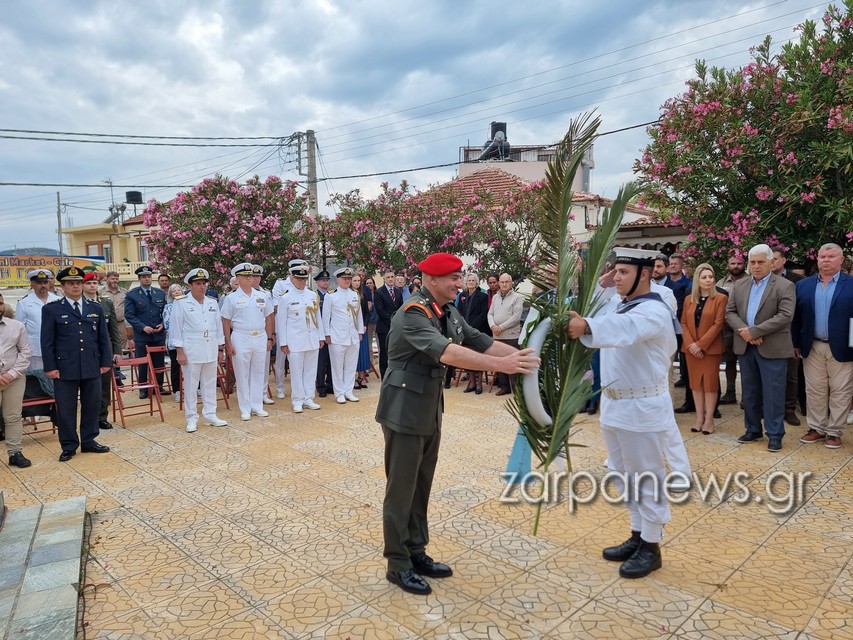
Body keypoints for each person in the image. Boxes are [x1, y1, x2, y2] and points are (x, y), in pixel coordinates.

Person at [377, 252, 540, 595]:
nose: (458, 282)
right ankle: (398, 563)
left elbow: (478, 340)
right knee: (401, 489)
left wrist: (516, 356)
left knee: (421, 485)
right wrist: (504, 368)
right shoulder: (413, 314)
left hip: (427, 407)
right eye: (453, 277)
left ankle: (416, 551)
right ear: (432, 280)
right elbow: (448, 352)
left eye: (459, 276)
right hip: (404, 409)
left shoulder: (446, 311)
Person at [567, 247, 682, 579]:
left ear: (644, 275)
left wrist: (587, 323)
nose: (615, 277)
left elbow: (624, 329)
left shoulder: (654, 309)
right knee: (621, 472)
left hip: (643, 406)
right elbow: (601, 316)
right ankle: (637, 533)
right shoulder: (621, 302)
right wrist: (602, 288)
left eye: (623, 272)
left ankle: (652, 545)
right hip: (616, 404)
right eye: (615, 272)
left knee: (646, 475)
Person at [725, 244, 795, 452]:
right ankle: (753, 429)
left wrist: (755, 332)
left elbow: (785, 316)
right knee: (750, 391)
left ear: (771, 263)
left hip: (772, 347)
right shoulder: (740, 285)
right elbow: (730, 313)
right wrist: (745, 332)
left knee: (773, 393)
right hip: (746, 346)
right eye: (752, 262)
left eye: (760, 262)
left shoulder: (784, 285)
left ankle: (774, 434)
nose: (756, 266)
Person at [41, 267, 113, 462]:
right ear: (63, 286)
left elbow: (103, 338)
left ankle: (89, 440)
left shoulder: (95, 308)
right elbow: (47, 341)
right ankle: (69, 445)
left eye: (78, 282)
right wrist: (50, 367)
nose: (76, 286)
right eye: (71, 283)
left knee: (92, 404)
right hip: (64, 367)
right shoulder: (51, 309)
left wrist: (106, 361)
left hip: (91, 365)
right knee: (66, 409)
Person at [792, 243, 853, 449]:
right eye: (822, 257)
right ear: (817, 259)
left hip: (843, 347)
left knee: (840, 391)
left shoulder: (851, 284)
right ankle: (817, 428)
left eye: (831, 256)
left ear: (841, 260)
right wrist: (795, 343)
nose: (826, 260)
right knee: (814, 390)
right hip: (812, 345)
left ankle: (834, 432)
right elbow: (796, 318)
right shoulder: (804, 285)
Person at [170, 269, 228, 432]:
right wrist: (179, 351)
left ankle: (210, 414)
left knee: (209, 383)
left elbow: (218, 327)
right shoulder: (181, 302)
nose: (202, 287)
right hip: (191, 349)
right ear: (190, 285)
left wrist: (220, 348)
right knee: (191, 385)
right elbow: (176, 328)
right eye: (198, 284)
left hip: (209, 348)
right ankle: (191, 418)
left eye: (204, 284)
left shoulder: (212, 302)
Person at [220, 262, 274, 421]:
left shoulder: (262, 296)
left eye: (251, 276)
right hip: (241, 336)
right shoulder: (231, 298)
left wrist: (270, 337)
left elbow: (269, 316)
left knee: (258, 372)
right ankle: (245, 408)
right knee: (242, 373)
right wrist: (228, 343)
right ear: (238, 278)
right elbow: (225, 321)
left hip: (260, 336)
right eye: (245, 276)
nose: (250, 278)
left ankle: (257, 406)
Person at [680, 264, 726, 434]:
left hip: (710, 350)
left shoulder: (721, 298)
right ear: (697, 280)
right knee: (695, 384)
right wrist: (691, 344)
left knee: (710, 385)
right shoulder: (688, 299)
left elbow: (718, 324)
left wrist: (700, 345)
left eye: (711, 277)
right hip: (691, 350)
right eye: (704, 277)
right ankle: (699, 417)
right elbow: (683, 322)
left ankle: (709, 420)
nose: (708, 280)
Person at [276, 264, 323, 413]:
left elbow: (318, 318)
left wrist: (320, 337)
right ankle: (297, 400)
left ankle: (309, 398)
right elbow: (281, 322)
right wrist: (283, 342)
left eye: (304, 278)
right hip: (295, 341)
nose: (302, 282)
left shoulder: (311, 295)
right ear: (292, 278)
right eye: (298, 279)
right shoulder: (286, 298)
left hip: (312, 338)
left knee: (310, 370)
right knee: (296, 372)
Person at [771, 246, 806, 427]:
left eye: (775, 259)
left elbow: (800, 311)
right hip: (768, 336)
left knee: (791, 376)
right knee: (770, 375)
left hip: (791, 336)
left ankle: (789, 410)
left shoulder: (799, 281)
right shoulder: (761, 280)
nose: (772, 262)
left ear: (784, 260)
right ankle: (770, 409)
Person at [82, 273, 121, 431]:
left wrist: (117, 350)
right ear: (83, 285)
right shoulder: (80, 304)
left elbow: (113, 328)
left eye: (95, 283)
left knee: (105, 386)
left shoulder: (105, 302)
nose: (92, 286)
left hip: (104, 350)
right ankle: (89, 418)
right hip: (86, 351)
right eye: (89, 283)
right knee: (88, 387)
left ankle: (102, 417)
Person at [124, 265, 168, 398]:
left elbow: (165, 313)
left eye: (148, 276)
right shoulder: (132, 294)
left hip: (158, 334)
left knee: (159, 362)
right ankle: (143, 388)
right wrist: (142, 327)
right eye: (144, 277)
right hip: (142, 335)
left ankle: (158, 386)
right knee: (143, 363)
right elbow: (129, 315)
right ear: (139, 279)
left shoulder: (159, 293)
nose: (147, 279)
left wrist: (162, 324)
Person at [323, 267, 364, 404]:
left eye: (348, 279)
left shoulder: (354, 295)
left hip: (352, 336)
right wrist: (327, 334)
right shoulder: (331, 295)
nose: (347, 281)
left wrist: (359, 331)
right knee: (337, 366)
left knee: (351, 366)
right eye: (344, 279)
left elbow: (359, 314)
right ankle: (339, 392)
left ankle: (349, 391)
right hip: (337, 336)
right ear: (338, 279)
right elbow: (325, 317)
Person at [1, 293, 33, 468]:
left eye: (0, 303)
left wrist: (11, 374)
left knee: (13, 417)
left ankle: (15, 453)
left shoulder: (16, 326)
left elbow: (25, 352)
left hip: (13, 378)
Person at [715, 254, 747, 405]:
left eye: (739, 263)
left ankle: (747, 396)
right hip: (727, 329)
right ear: (728, 265)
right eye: (732, 263)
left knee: (747, 362)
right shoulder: (720, 283)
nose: (736, 266)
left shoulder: (751, 281)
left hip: (746, 328)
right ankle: (730, 392)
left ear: (744, 264)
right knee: (729, 361)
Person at [14, 269, 60, 372]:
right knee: (37, 382)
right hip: (35, 351)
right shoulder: (24, 303)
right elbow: (20, 329)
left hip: (57, 348)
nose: (43, 285)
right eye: (39, 283)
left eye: (45, 282)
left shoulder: (58, 300)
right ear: (32, 285)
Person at [487, 273, 524, 396]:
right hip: (497, 336)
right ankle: (504, 387)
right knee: (500, 362)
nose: (504, 284)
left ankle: (516, 389)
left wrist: (501, 327)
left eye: (506, 282)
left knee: (513, 363)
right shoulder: (496, 297)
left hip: (511, 336)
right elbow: (490, 314)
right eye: (502, 282)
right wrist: (493, 326)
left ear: (511, 283)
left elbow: (516, 317)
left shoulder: (517, 297)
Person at [457, 273, 489, 393]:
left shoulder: (483, 296)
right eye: (469, 280)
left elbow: (483, 314)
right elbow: (459, 312)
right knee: (467, 357)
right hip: (465, 332)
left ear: (477, 282)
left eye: (473, 280)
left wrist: (471, 327)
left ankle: (479, 384)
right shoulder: (462, 296)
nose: (471, 282)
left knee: (477, 357)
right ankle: (472, 383)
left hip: (477, 331)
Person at [374, 270, 403, 378]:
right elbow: (380, 311)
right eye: (388, 277)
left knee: (396, 351)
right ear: (384, 279)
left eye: (392, 276)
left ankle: (395, 374)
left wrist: (398, 322)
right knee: (385, 353)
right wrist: (393, 321)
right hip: (384, 328)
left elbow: (400, 308)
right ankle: (384, 375)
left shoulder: (398, 292)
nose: (390, 279)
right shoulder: (379, 292)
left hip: (396, 327)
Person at [161, 284, 186, 405]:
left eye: (179, 290)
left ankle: (195, 388)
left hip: (188, 340)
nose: (177, 292)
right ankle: (177, 391)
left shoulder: (188, 304)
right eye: (174, 291)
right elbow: (167, 324)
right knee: (176, 366)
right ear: (171, 294)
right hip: (174, 341)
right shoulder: (168, 307)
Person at [314, 270, 334, 397]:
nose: (325, 282)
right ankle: (321, 386)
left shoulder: (332, 295)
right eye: (323, 280)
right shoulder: (314, 296)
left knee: (332, 360)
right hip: (318, 332)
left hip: (332, 331)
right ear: (317, 282)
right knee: (321, 361)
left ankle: (331, 384)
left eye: (327, 280)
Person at [99, 271, 129, 353]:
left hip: (120, 322)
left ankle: (120, 360)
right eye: (112, 279)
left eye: (116, 279)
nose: (115, 280)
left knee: (122, 339)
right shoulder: (100, 292)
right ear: (107, 279)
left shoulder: (125, 292)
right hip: (105, 322)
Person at [352, 274, 373, 388]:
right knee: (353, 353)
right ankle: (353, 378)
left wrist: (365, 325)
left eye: (359, 281)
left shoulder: (363, 294)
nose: (357, 283)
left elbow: (367, 312)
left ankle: (361, 377)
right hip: (351, 327)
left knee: (362, 353)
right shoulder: (348, 294)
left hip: (362, 327)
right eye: (354, 280)